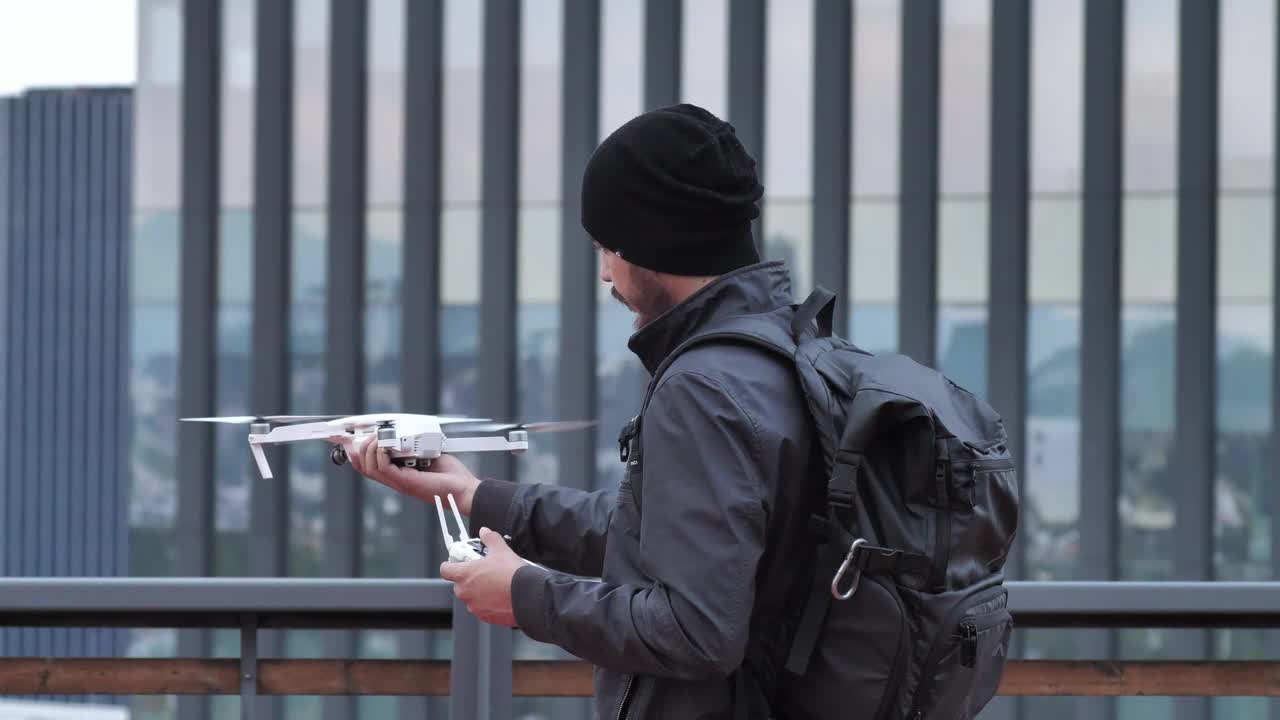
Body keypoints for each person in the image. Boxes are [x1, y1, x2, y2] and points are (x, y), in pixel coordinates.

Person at [346, 103, 823, 719]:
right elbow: (663, 536)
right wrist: (474, 495)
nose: (604, 273)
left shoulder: (704, 387)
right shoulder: (784, 350)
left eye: (608, 247)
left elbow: (697, 629)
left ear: (652, 241)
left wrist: (525, 596)